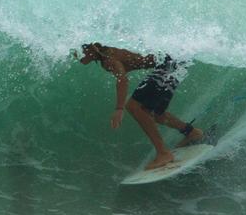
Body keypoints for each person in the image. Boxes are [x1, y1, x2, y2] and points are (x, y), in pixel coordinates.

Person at [78, 42, 206, 172]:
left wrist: (119, 109)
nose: (78, 55)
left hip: (170, 63)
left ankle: (164, 153)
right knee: (156, 113)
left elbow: (122, 80)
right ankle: (192, 133)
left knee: (134, 107)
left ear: (91, 50)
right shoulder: (107, 54)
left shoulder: (108, 59)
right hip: (174, 60)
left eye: (80, 51)